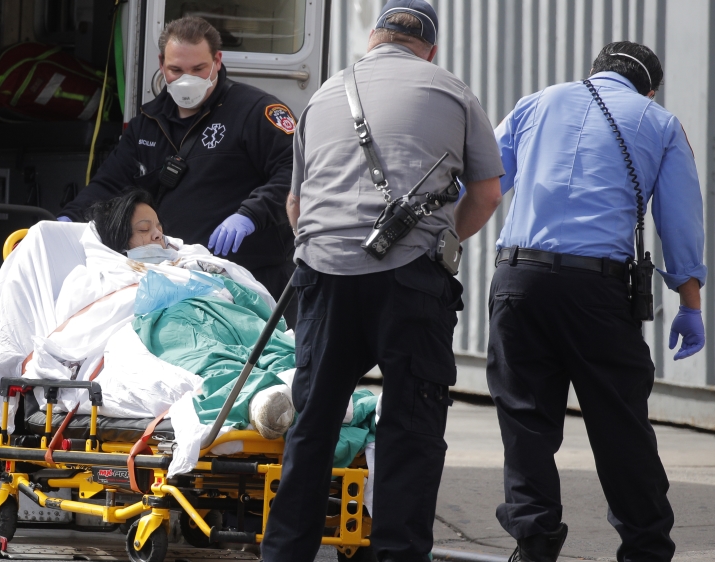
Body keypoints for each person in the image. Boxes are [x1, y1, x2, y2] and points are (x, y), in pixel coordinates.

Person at [261, 1, 505, 560]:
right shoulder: (452, 91)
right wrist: (448, 243)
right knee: (410, 428)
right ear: (431, 49)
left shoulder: (323, 94)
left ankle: (283, 553)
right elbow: (487, 193)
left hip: (322, 275)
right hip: (412, 280)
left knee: (313, 425)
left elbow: (296, 204)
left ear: (373, 41)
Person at [486, 41, 705, 562]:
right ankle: (645, 547)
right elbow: (680, 222)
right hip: (597, 292)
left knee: (525, 421)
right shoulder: (659, 121)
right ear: (648, 88)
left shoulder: (536, 102)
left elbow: (486, 184)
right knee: (620, 424)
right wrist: (690, 303)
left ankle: (533, 544)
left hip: (518, 280)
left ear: (593, 73)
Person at [56, 16, 296, 319]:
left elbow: (294, 171)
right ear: (161, 64)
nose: (187, 79)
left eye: (198, 69)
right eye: (176, 70)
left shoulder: (254, 111)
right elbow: (110, 184)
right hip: (178, 280)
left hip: (251, 277)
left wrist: (250, 214)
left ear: (217, 61)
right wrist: (68, 218)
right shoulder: (148, 123)